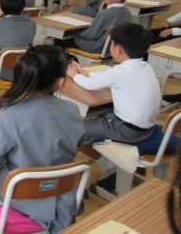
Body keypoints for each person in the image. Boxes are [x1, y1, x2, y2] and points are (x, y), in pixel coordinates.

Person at [0, 45, 84, 233]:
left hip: (20, 197)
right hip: (63, 195)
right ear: (60, 82)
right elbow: (77, 143)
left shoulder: (10, 114)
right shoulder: (73, 109)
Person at [67, 22, 161, 189]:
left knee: (73, 129)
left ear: (118, 49)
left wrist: (74, 75)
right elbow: (108, 76)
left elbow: (91, 85)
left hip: (124, 129)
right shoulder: (145, 67)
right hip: (146, 128)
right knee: (93, 121)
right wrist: (84, 72)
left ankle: (110, 166)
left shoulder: (121, 72)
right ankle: (111, 162)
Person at [56, 0, 133, 53]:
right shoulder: (128, 14)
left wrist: (76, 31)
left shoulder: (104, 13)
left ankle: (63, 61)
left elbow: (90, 35)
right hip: (113, 47)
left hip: (97, 46)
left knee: (60, 39)